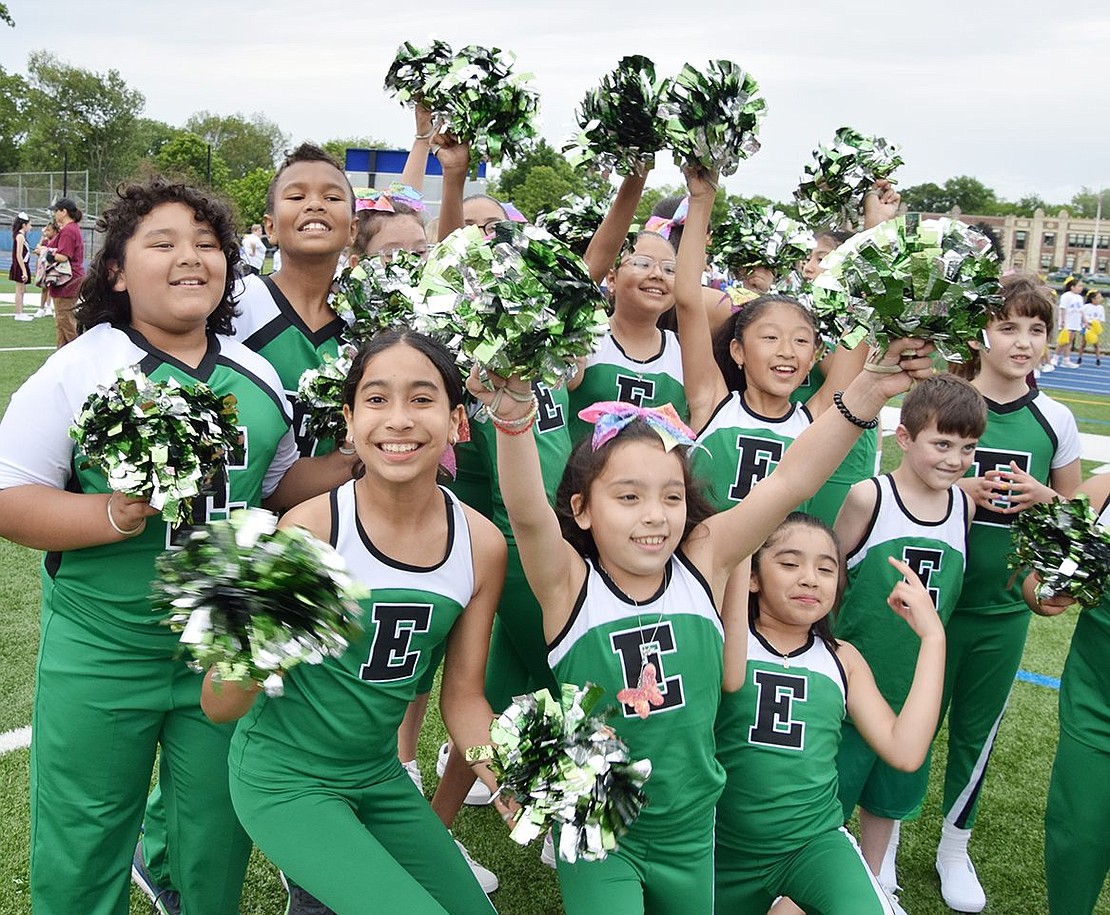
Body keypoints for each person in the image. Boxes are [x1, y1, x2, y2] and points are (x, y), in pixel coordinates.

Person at [467, 334, 935, 915]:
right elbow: (529, 514)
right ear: (583, 509)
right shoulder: (568, 583)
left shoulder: (703, 561)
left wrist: (865, 391)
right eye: (628, 496)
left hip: (692, 830)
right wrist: (513, 427)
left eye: (670, 496)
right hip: (600, 825)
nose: (653, 515)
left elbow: (791, 481)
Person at [0, 178, 329, 914]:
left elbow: (276, 487)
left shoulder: (257, 374)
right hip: (102, 649)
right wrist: (118, 513)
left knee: (214, 842)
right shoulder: (81, 368)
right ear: (115, 269)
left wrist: (374, 453)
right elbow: (11, 500)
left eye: (208, 244)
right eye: (164, 242)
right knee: (83, 842)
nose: (191, 257)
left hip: (218, 655)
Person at [203, 329, 509, 915]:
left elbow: (464, 699)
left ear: (457, 422)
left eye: (422, 399)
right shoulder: (309, 531)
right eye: (376, 399)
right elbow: (220, 703)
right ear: (348, 421)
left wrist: (513, 781)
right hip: (285, 778)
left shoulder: (482, 544)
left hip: (376, 775)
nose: (398, 419)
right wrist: (245, 642)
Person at [714, 513, 945, 915]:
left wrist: (933, 637)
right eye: (789, 564)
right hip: (718, 848)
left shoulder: (843, 659)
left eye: (826, 568)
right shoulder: (723, 643)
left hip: (812, 845)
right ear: (752, 577)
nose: (810, 578)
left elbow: (905, 751)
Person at [937, 273, 1081, 913]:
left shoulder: (1056, 419)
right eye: (1007, 326)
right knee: (901, 726)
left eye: (1036, 329)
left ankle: (953, 845)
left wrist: (1047, 502)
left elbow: (1080, 525)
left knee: (977, 733)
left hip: (1001, 608)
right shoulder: (943, 397)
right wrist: (956, 493)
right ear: (982, 333)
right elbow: (903, 492)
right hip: (931, 600)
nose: (1022, 341)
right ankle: (877, 848)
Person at [831, 375, 985, 907]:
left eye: (968, 448)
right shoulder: (869, 497)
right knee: (831, 799)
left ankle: (875, 884)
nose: (956, 459)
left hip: (916, 688)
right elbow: (834, 582)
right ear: (904, 437)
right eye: (942, 443)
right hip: (855, 688)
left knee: (890, 799)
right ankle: (816, 888)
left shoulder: (963, 509)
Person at [672, 168, 861, 513]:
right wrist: (702, 199)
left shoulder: (817, 421)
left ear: (815, 354)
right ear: (737, 351)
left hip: (779, 566)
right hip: (705, 566)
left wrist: (873, 234)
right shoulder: (711, 402)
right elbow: (686, 300)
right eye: (771, 337)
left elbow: (859, 334)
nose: (786, 351)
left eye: (801, 341)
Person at [1022, 473, 1110, 915]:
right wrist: (1047, 594)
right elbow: (1034, 582)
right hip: (1098, 706)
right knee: (1078, 838)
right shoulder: (1103, 492)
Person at [46, 196, 85, 347]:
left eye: (56, 211)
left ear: (64, 212)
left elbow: (63, 256)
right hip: (69, 281)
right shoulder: (71, 229)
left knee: (65, 320)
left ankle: (78, 351)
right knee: (61, 322)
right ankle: (61, 354)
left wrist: (48, 255)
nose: (55, 214)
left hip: (67, 281)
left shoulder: (69, 230)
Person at [1052, 277, 1084, 368]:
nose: (1081, 288)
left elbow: (1081, 311)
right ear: (1072, 287)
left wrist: (1084, 321)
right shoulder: (1066, 296)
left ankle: (1066, 360)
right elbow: (1062, 309)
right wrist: (1062, 322)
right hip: (1067, 322)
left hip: (1075, 322)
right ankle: (1055, 358)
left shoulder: (1080, 298)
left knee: (1069, 342)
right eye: (1079, 286)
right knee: (1063, 341)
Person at [9, 212, 32, 321]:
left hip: (23, 265)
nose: (30, 227)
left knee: (22, 290)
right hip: (20, 266)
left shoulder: (21, 236)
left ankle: (21, 312)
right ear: (24, 225)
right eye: (29, 224)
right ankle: (18, 313)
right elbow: (18, 255)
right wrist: (23, 271)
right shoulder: (20, 236)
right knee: (19, 290)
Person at [33, 221, 58, 318]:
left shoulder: (57, 240)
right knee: (44, 288)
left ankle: (49, 307)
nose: (47, 232)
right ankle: (41, 308)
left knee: (52, 287)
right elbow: (37, 250)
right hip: (44, 267)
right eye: (46, 230)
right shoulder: (45, 241)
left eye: (49, 230)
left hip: (54, 267)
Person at [1079, 288, 1104, 366]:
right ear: (1093, 299)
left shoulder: (1101, 308)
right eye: (1098, 297)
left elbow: (1100, 319)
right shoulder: (1086, 307)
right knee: (1083, 343)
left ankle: (1098, 359)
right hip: (1086, 327)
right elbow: (1082, 316)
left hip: (1094, 328)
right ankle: (1079, 358)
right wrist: (1086, 324)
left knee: (1096, 344)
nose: (1100, 299)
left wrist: (1096, 326)